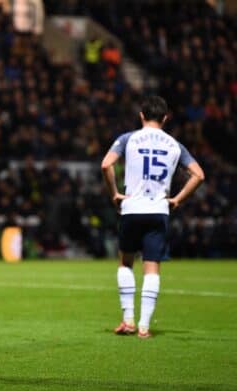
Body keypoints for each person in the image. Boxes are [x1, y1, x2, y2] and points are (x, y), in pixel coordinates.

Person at [101, 95, 205, 339]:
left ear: (141, 116)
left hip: (132, 208)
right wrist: (178, 199)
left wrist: (115, 194)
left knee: (126, 262)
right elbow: (198, 174)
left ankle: (128, 320)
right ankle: (144, 326)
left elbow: (106, 164)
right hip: (158, 211)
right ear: (165, 118)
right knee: (152, 267)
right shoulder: (174, 144)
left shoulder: (128, 138)